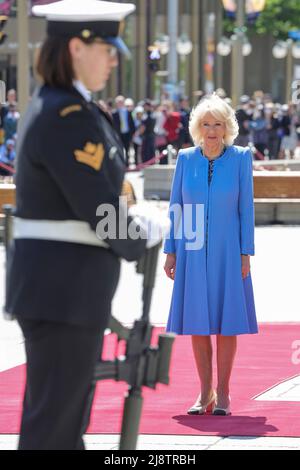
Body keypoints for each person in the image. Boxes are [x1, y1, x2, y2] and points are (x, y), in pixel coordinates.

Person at [5, 0, 162, 450]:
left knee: (63, 427)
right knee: (53, 430)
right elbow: (97, 208)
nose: (114, 60)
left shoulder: (72, 109)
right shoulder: (65, 116)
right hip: (62, 294)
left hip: (65, 293)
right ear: (77, 47)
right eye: (107, 49)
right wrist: (138, 232)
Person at [164, 93, 258, 416]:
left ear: (227, 127)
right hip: (190, 252)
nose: (212, 130)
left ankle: (226, 393)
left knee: (226, 322)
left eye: (218, 124)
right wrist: (170, 251)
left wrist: (247, 253)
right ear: (197, 128)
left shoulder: (241, 158)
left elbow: (246, 209)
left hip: (229, 253)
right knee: (198, 322)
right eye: (206, 124)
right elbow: (176, 207)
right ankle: (205, 392)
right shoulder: (185, 159)